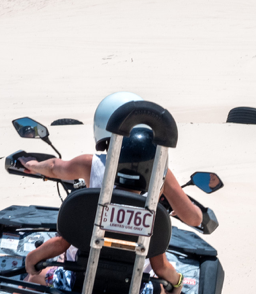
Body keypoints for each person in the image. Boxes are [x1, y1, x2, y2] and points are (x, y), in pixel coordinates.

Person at [22, 127, 184, 294]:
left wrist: (32, 259)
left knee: (34, 279)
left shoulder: (90, 204)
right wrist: (176, 283)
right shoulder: (153, 216)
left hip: (78, 285)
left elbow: (61, 243)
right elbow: (161, 267)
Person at [22, 92, 203, 228]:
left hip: (88, 253)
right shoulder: (160, 172)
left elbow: (54, 167)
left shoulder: (89, 164)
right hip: (138, 266)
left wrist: (33, 165)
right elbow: (194, 219)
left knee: (36, 271)